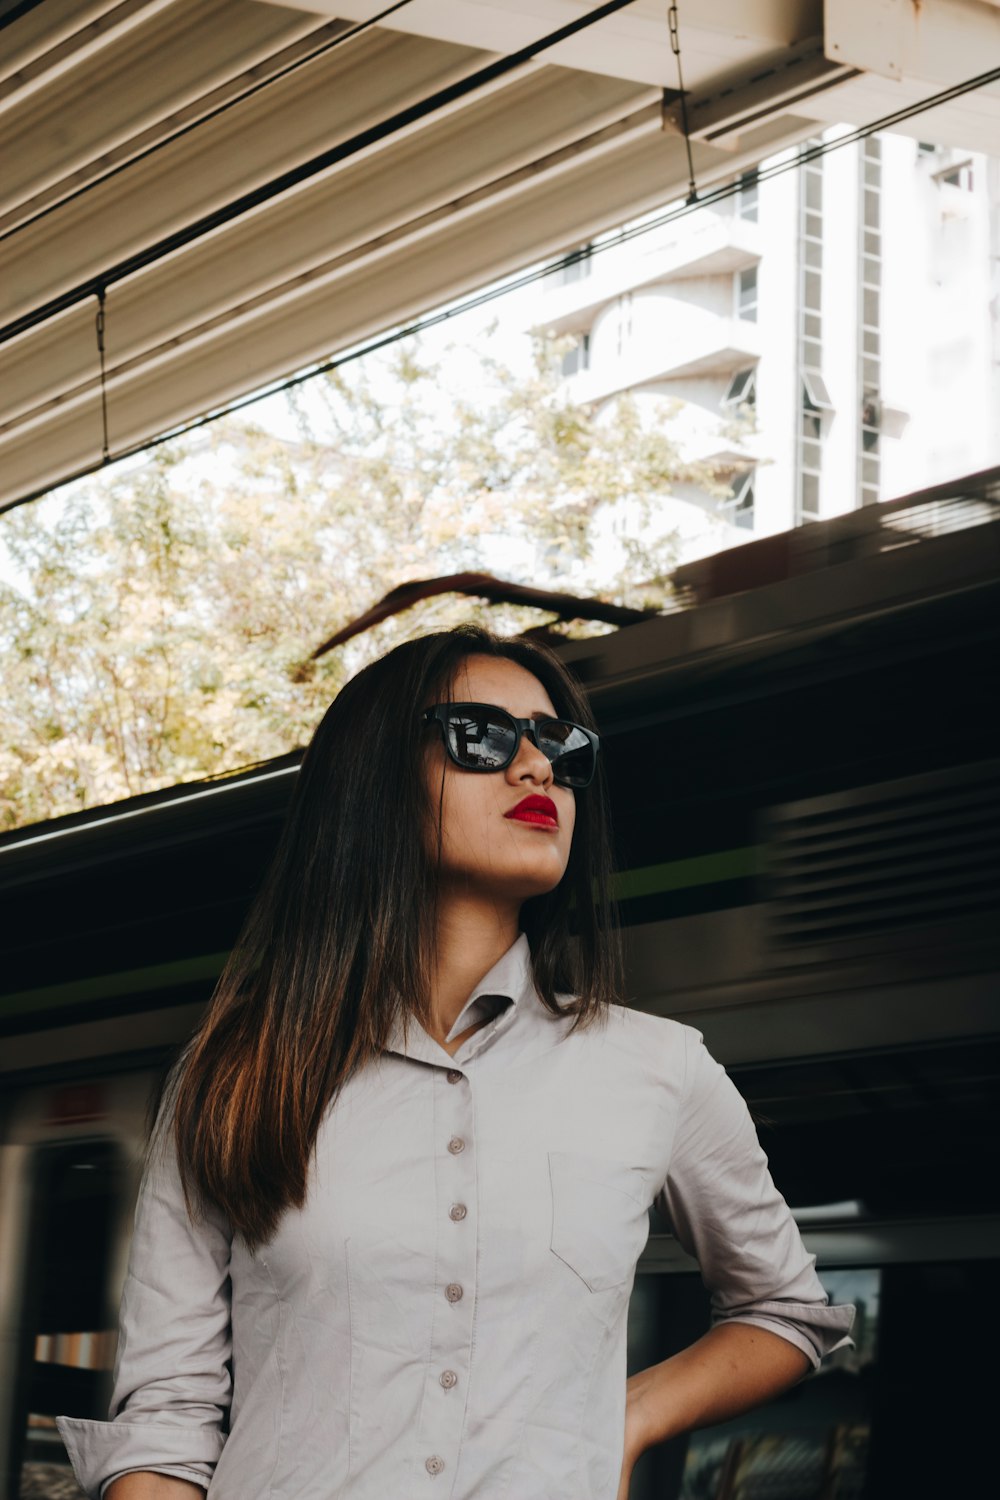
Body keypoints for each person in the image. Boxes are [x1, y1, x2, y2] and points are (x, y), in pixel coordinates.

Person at [58, 623, 854, 1500]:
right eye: (482, 737)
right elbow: (167, 1415)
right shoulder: (234, 1077)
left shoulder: (662, 1070)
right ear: (376, 783)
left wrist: (623, 1422)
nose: (536, 768)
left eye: (560, 746)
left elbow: (789, 1310)